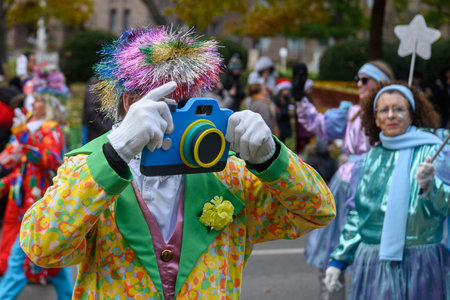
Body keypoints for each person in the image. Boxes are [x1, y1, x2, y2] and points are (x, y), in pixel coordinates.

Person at [19, 25, 335, 299]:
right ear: (130, 101)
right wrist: (115, 154)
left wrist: (272, 157)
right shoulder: (87, 170)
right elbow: (42, 247)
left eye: (191, 100)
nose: (181, 112)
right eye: (173, 101)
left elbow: (317, 211)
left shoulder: (227, 173)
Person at [324, 83, 449, 299]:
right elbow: (357, 216)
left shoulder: (435, 152)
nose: (391, 115)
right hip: (372, 266)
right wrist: (339, 260)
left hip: (421, 265)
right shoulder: (366, 162)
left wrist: (431, 187)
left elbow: (445, 205)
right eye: (383, 110)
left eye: (399, 109)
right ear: (375, 118)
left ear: (412, 114)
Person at [299, 60, 394, 300]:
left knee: (373, 256)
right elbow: (319, 125)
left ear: (381, 83)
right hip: (343, 188)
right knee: (332, 252)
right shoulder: (351, 113)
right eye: (357, 79)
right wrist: (301, 98)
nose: (358, 84)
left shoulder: (393, 115)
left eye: (365, 80)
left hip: (377, 186)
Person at [0, 92, 73, 299]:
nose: (35, 104)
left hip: (42, 203)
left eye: (40, 100)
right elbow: (21, 167)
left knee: (19, 257)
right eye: (35, 100)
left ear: (48, 105)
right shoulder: (31, 129)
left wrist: (24, 136)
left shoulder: (52, 130)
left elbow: (49, 160)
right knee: (55, 261)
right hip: (29, 203)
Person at [82, 76, 113, 144]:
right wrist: (107, 129)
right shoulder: (96, 82)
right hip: (96, 132)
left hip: (104, 130)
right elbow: (91, 111)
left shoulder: (110, 80)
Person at [273, 78, 296, 143]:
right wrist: (287, 113)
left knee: (284, 142)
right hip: (280, 125)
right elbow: (278, 113)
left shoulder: (288, 99)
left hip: (286, 125)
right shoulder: (277, 99)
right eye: (284, 89)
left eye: (287, 89)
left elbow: (292, 111)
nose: (286, 91)